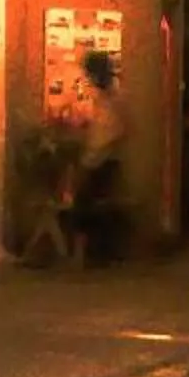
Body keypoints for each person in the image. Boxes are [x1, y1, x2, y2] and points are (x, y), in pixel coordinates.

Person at [64, 50, 131, 264]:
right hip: (102, 158)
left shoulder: (110, 98)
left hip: (101, 159)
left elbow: (111, 131)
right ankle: (95, 252)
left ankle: (87, 253)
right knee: (95, 205)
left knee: (87, 204)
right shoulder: (107, 97)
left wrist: (92, 154)